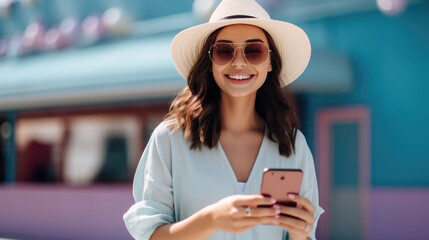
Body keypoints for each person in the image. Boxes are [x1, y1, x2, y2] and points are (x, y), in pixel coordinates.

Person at [123, 0, 324, 239]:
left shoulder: (293, 145)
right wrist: (212, 219)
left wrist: (300, 231)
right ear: (209, 62)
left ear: (270, 62)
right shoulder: (169, 139)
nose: (239, 62)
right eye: (224, 51)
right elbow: (150, 236)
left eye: (254, 51)